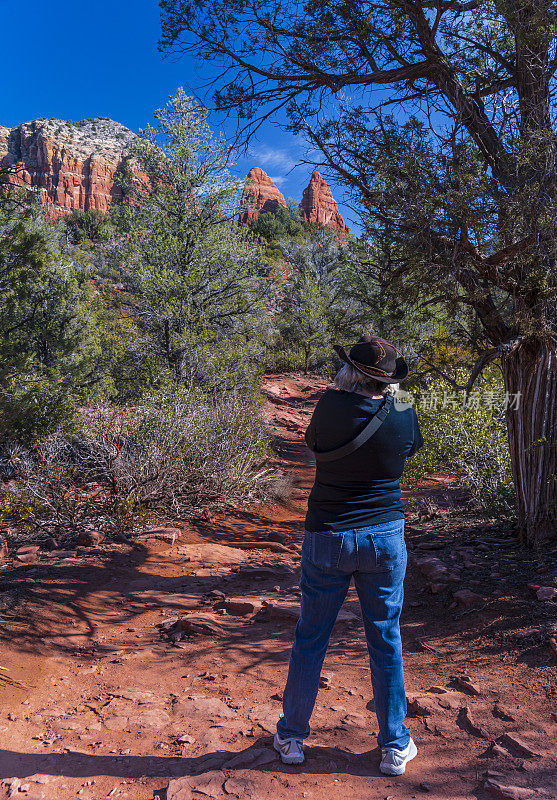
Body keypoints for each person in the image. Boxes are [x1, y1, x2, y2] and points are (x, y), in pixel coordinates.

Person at [274, 335, 423, 776]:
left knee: (311, 636)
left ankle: (292, 737)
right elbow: (411, 449)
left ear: (349, 371)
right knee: (385, 638)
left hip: (328, 535)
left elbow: (313, 443)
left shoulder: (329, 405)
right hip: (384, 536)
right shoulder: (402, 408)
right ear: (388, 379)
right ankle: (394, 745)